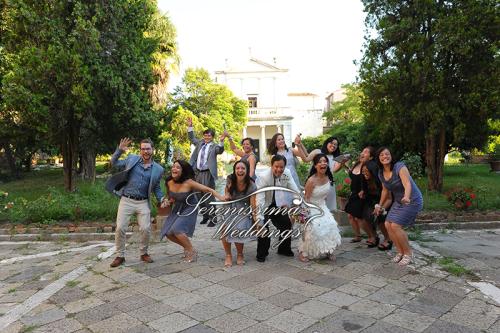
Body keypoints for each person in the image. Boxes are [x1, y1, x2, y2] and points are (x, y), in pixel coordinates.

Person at [105, 138, 165, 268]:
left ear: (152, 150)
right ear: (140, 150)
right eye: (143, 149)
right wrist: (119, 150)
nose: (145, 151)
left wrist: (161, 199)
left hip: (143, 202)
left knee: (145, 228)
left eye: (148, 148)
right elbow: (114, 163)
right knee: (120, 228)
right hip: (126, 200)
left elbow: (156, 188)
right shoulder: (132, 159)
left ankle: (144, 253)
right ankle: (120, 256)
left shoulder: (158, 169)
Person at [161, 160, 225, 263]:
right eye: (173, 166)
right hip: (178, 208)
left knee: (177, 230)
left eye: (178, 167)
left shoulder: (189, 182)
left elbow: (208, 189)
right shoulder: (169, 182)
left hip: (190, 207)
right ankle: (188, 248)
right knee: (168, 233)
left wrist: (221, 197)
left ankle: (191, 251)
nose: (174, 169)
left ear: (183, 171)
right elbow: (171, 197)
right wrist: (166, 201)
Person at [374, 147, 423, 266]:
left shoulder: (399, 167)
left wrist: (406, 197)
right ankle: (400, 252)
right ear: (378, 158)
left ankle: (408, 253)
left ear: (391, 156)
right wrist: (379, 205)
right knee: (387, 224)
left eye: (387, 154)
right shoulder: (381, 173)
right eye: (381, 155)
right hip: (398, 201)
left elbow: (407, 184)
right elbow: (385, 191)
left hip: (412, 200)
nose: (385, 156)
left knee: (395, 225)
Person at [255, 154, 300, 262]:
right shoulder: (263, 177)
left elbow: (295, 191)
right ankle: (262, 254)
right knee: (264, 228)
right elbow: (260, 199)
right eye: (276, 166)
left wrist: (296, 205)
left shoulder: (287, 173)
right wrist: (259, 219)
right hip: (265, 204)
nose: (279, 169)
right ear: (271, 165)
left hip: (278, 203)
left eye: (281, 167)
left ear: (284, 167)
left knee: (286, 223)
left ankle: (284, 249)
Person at [298, 154, 342, 262]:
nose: (323, 163)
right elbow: (306, 199)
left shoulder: (328, 177)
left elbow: (325, 195)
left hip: (322, 206)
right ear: (315, 165)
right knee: (315, 228)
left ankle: (328, 250)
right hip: (311, 207)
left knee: (331, 224)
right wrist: (305, 215)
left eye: (325, 161)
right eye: (320, 162)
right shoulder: (311, 181)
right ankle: (303, 252)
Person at [187, 117, 226, 226]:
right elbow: (192, 138)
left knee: (208, 195)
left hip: (207, 173)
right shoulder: (200, 143)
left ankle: (213, 219)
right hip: (197, 172)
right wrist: (190, 127)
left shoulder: (214, 146)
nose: (206, 137)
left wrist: (222, 141)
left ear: (212, 137)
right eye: (205, 135)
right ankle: (205, 216)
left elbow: (220, 150)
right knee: (198, 195)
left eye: (209, 135)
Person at [220, 160, 257, 267]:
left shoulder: (251, 185)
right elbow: (226, 192)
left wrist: (255, 220)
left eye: (243, 168)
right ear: (234, 170)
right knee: (224, 228)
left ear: (247, 171)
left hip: (244, 208)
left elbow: (253, 204)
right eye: (237, 168)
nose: (240, 170)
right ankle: (228, 255)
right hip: (230, 205)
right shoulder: (230, 179)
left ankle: (240, 254)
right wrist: (227, 195)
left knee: (238, 228)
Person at [344, 146, 378, 246]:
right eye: (362, 151)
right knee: (350, 215)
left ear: (371, 157)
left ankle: (373, 236)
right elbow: (352, 176)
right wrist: (345, 165)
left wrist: (363, 190)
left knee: (359, 218)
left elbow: (371, 181)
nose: (362, 153)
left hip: (362, 194)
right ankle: (358, 236)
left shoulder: (369, 166)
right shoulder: (357, 164)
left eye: (366, 152)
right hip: (354, 193)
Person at [361, 161, 392, 250]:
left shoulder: (381, 179)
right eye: (363, 171)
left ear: (372, 170)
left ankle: (388, 239)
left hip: (385, 201)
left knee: (380, 217)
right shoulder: (365, 180)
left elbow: (389, 198)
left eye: (366, 171)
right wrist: (363, 192)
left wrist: (381, 208)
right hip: (372, 201)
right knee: (365, 216)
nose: (364, 173)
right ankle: (374, 236)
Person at [320, 137, 348, 211]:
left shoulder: (335, 157)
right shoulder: (319, 153)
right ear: (327, 143)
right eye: (332, 143)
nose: (333, 145)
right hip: (318, 183)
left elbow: (333, 170)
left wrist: (342, 163)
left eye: (336, 144)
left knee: (330, 208)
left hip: (329, 184)